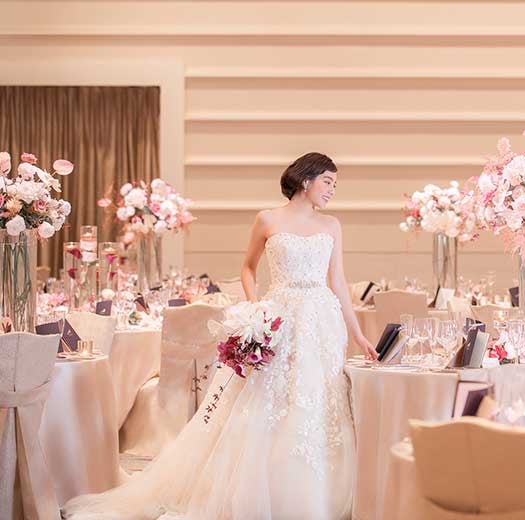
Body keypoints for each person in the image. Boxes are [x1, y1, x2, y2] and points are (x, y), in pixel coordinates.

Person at [64, 152, 375, 519]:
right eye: (328, 182)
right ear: (306, 180)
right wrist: (256, 309)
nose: (333, 190)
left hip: (322, 323)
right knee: (271, 401)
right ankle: (262, 492)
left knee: (317, 402)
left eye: (335, 184)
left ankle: (317, 495)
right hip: (279, 318)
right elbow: (247, 268)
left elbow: (337, 280)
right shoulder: (268, 219)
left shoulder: (332, 225)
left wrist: (358, 333)